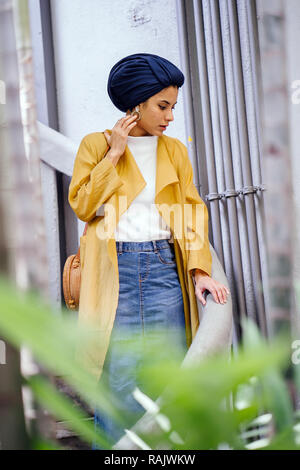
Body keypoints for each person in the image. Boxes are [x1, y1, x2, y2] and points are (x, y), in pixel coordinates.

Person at [68, 53, 230, 449]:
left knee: (169, 373)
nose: (170, 116)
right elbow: (84, 206)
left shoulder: (173, 150)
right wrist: (114, 154)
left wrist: (200, 271)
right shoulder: (96, 144)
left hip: (163, 267)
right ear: (136, 104)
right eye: (162, 105)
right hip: (114, 270)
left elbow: (191, 212)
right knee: (119, 375)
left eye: (173, 106)